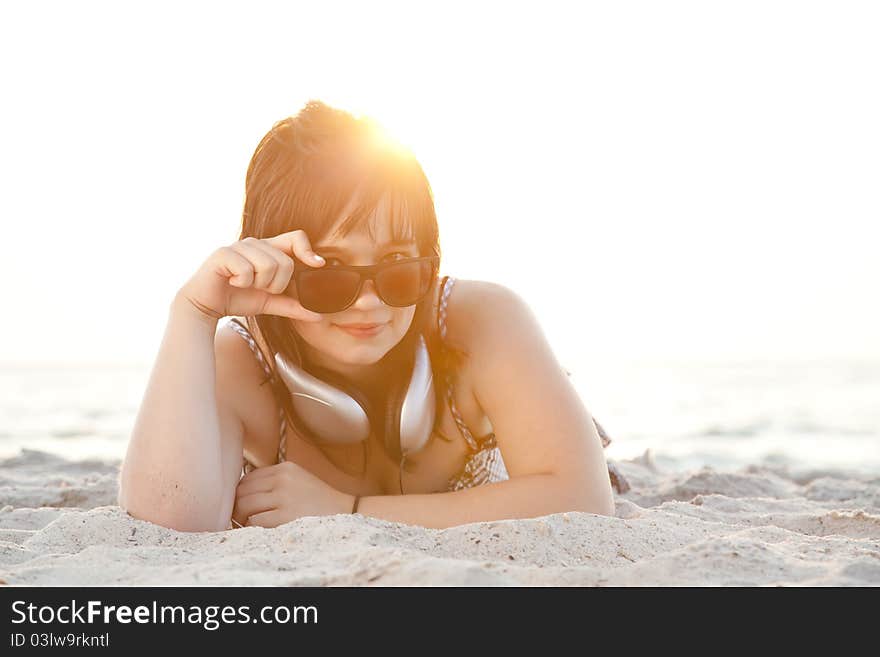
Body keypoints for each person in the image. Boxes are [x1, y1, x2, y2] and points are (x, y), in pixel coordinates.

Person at [117, 100, 629, 533]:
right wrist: (193, 314)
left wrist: (349, 511)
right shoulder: (244, 361)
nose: (368, 301)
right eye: (331, 269)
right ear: (272, 258)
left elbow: (582, 500)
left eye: (397, 266)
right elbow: (168, 523)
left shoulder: (480, 320)